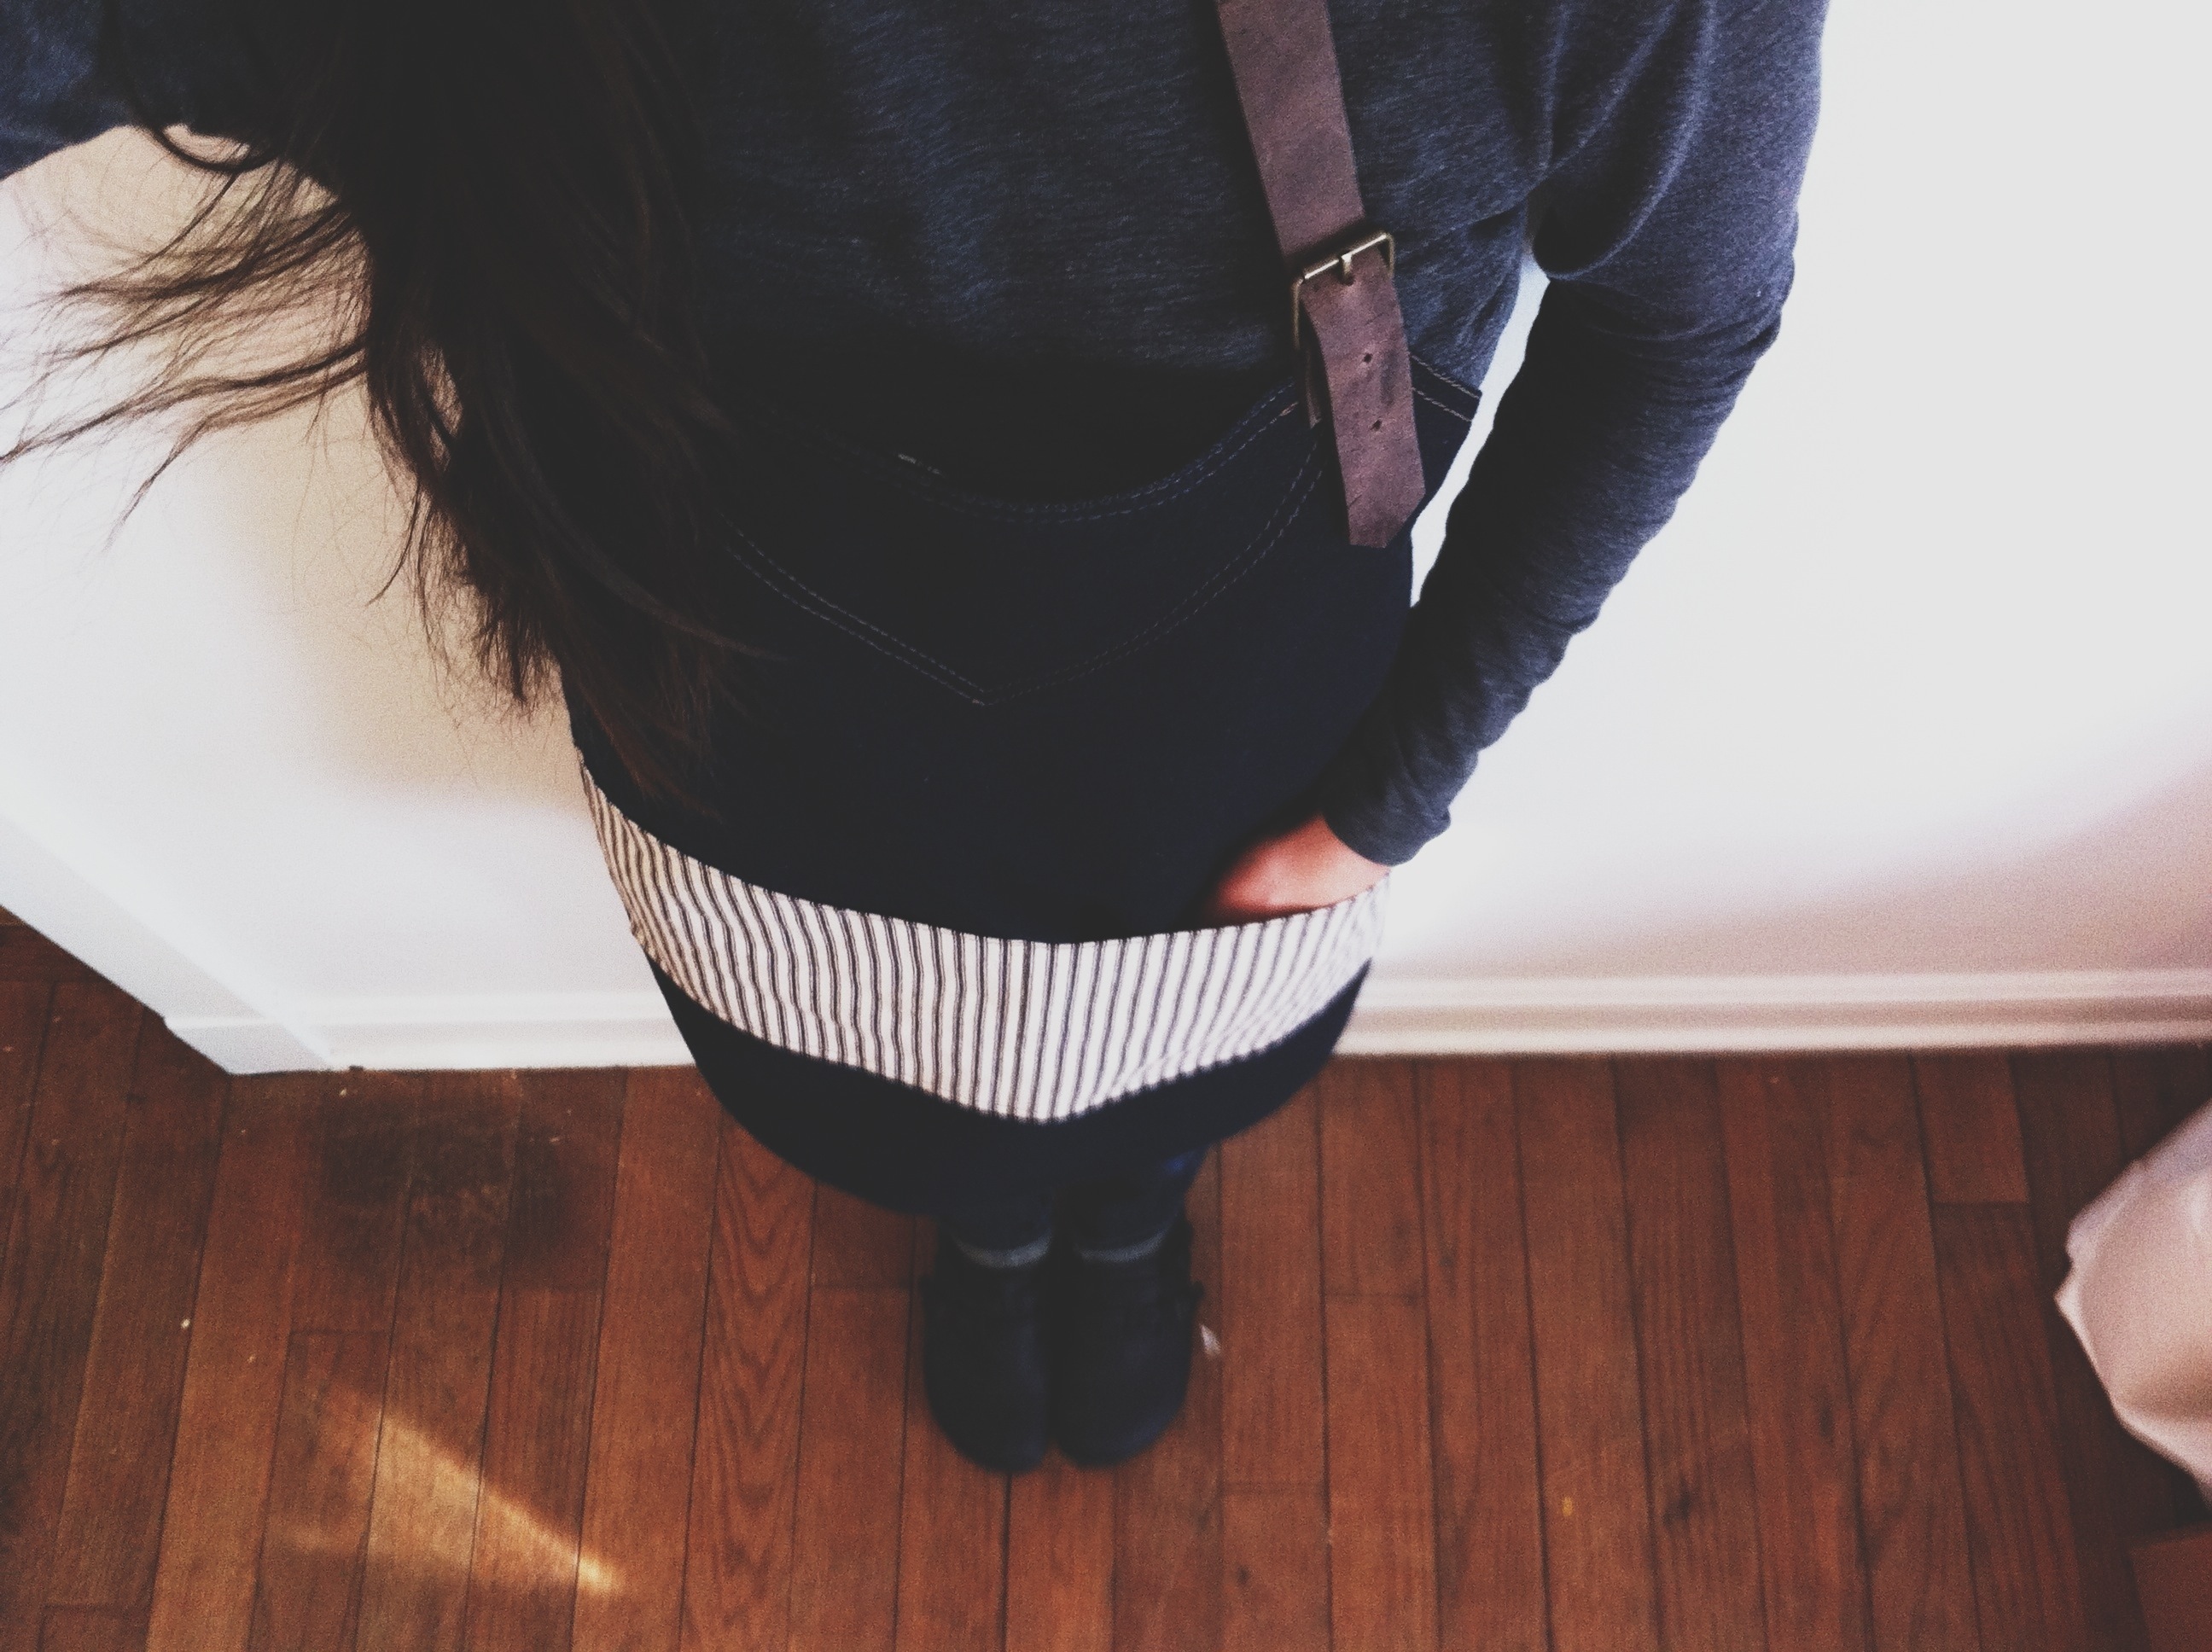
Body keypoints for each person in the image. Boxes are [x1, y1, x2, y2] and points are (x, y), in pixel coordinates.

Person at [1, 0, 1825, 1473]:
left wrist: (1393, 798)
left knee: (1157, 1089)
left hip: (1239, 804)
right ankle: (996, 1230)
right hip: (774, 807)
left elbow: (1675, 325)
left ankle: (1125, 1216)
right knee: (913, 1120)